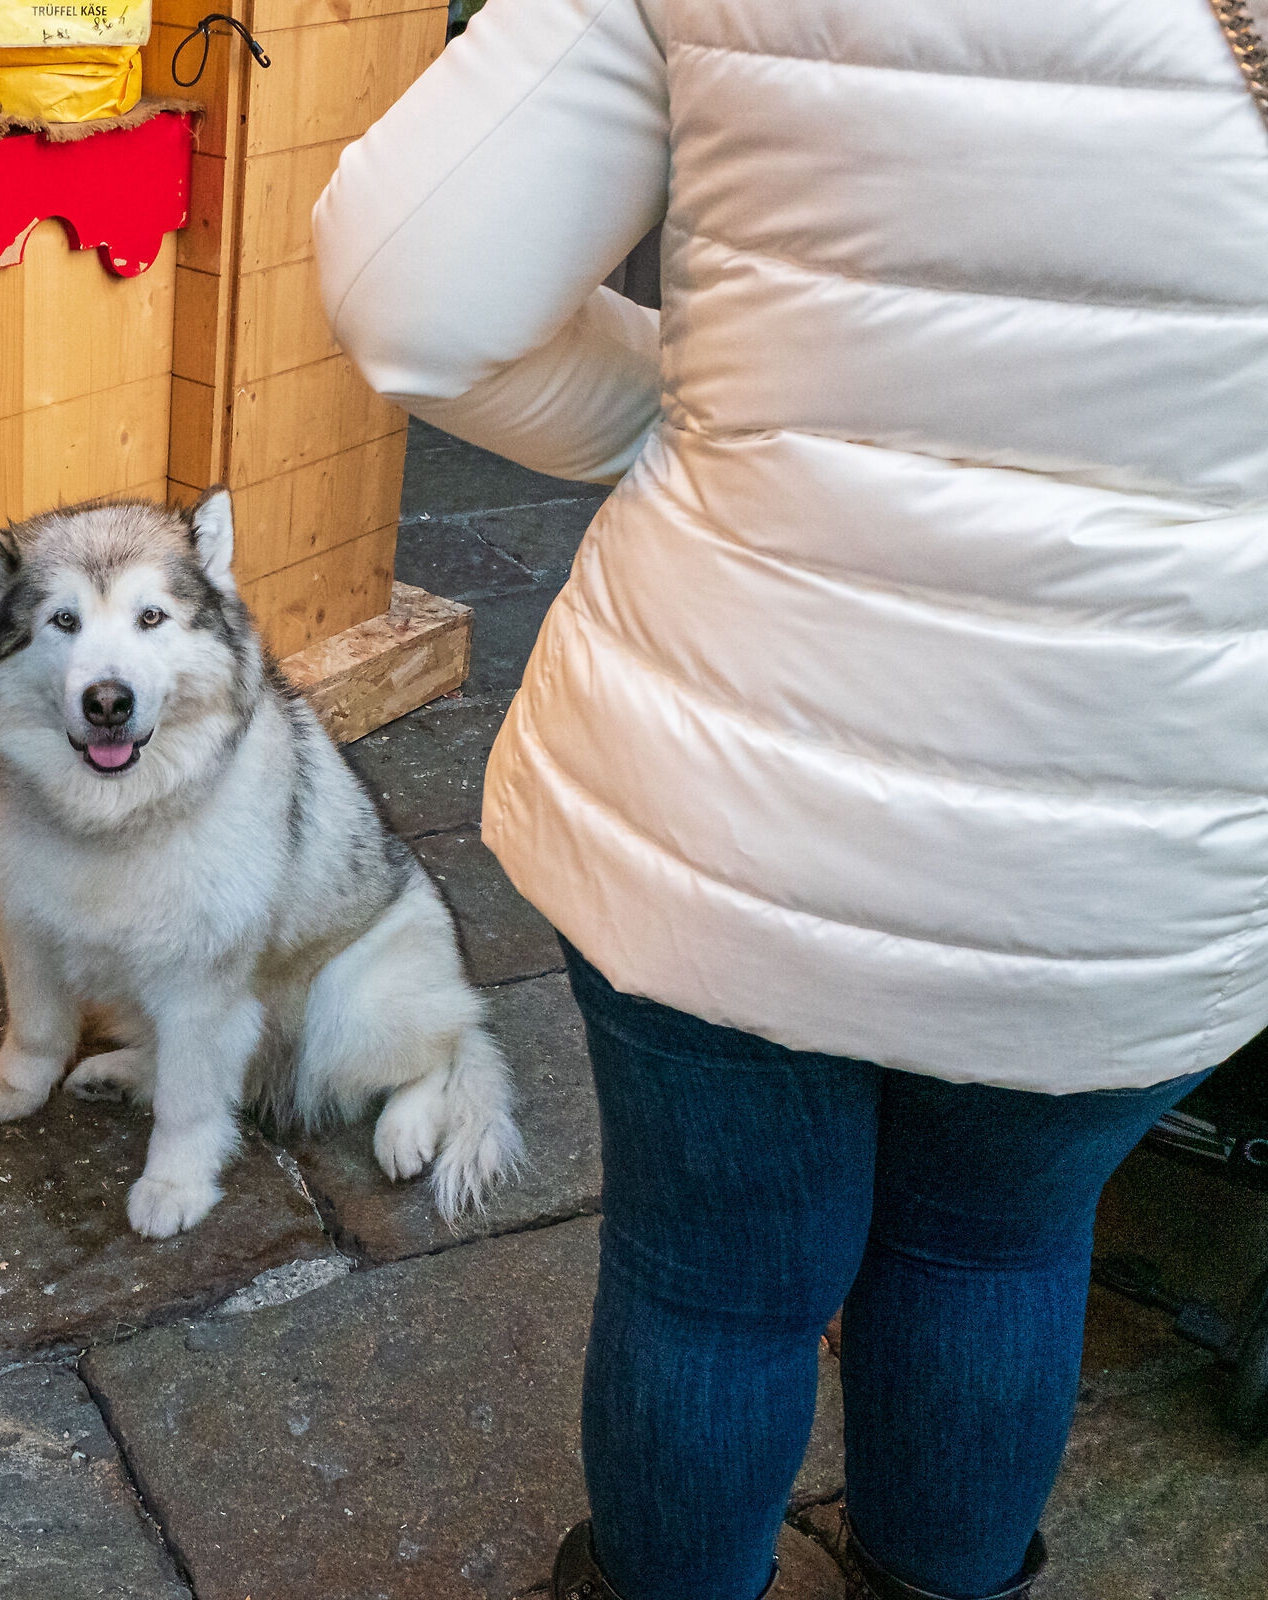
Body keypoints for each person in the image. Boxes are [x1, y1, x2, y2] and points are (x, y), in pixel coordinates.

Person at [314, 2, 1268, 1597]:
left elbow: (417, 294)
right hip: (1154, 816)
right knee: (1003, 1245)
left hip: (730, 778)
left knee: (714, 1288)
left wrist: (688, 418)